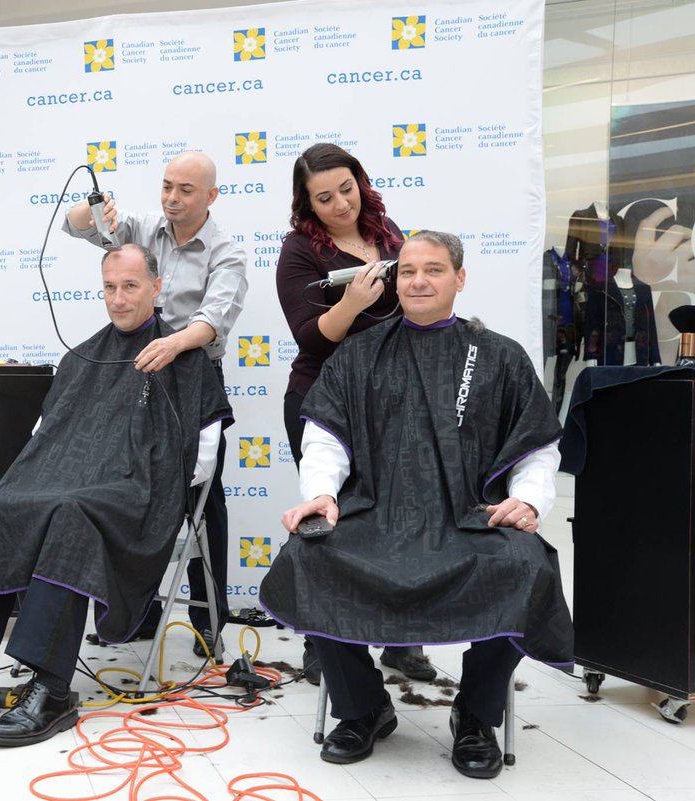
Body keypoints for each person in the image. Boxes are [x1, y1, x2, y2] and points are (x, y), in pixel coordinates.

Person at [259, 231, 573, 779]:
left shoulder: (499, 355)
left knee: (527, 566)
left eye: (432, 270)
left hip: (472, 517)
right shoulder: (358, 353)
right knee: (307, 556)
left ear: (460, 278)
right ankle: (362, 708)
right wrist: (322, 494)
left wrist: (525, 501)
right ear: (392, 280)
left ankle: (475, 715)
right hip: (376, 513)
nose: (418, 281)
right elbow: (324, 438)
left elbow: (538, 448)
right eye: (407, 271)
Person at [0, 244, 231, 746]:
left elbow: (203, 456)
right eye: (110, 287)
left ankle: (53, 686)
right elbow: (47, 431)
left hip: (136, 492)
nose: (119, 299)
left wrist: (154, 474)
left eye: (130, 286)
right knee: (4, 504)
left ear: (156, 287)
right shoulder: (82, 356)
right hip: (68, 480)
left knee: (72, 514)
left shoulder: (186, 358)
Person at [63, 151, 247, 651]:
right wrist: (94, 207)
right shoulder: (143, 227)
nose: (171, 198)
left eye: (185, 190)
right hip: (130, 372)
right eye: (166, 186)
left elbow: (214, 319)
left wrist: (173, 343)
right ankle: (135, 611)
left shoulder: (225, 252)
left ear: (210, 196)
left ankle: (210, 619)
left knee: (200, 498)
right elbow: (76, 227)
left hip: (190, 376)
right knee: (125, 483)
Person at [275, 142, 434, 684]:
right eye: (325, 197)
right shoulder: (300, 251)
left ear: (360, 182)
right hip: (322, 400)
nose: (341, 204)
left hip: (392, 401)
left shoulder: (389, 232)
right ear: (308, 204)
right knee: (331, 525)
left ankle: (400, 638)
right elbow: (309, 339)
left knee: (400, 518)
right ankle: (324, 642)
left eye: (347, 189)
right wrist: (351, 304)